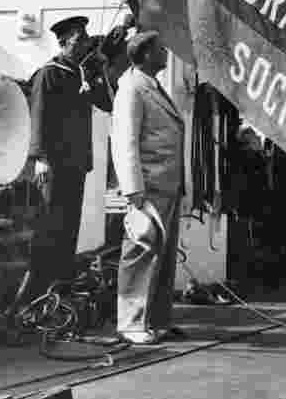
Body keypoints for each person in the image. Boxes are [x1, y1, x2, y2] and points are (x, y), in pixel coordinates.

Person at [22, 13, 134, 304]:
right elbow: (39, 117)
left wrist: (104, 70)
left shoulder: (79, 73)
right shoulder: (50, 73)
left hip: (76, 163)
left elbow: (106, 102)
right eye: (80, 39)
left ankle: (60, 288)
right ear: (64, 42)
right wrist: (41, 158)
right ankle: (38, 291)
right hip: (54, 164)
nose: (85, 43)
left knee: (68, 227)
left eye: (85, 38)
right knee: (50, 226)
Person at [110, 30, 186, 344]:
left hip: (166, 184)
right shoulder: (131, 88)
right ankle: (130, 324)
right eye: (160, 49)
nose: (166, 53)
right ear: (145, 54)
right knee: (140, 253)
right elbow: (124, 139)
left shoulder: (150, 85)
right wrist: (132, 189)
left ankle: (157, 320)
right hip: (148, 186)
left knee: (164, 257)